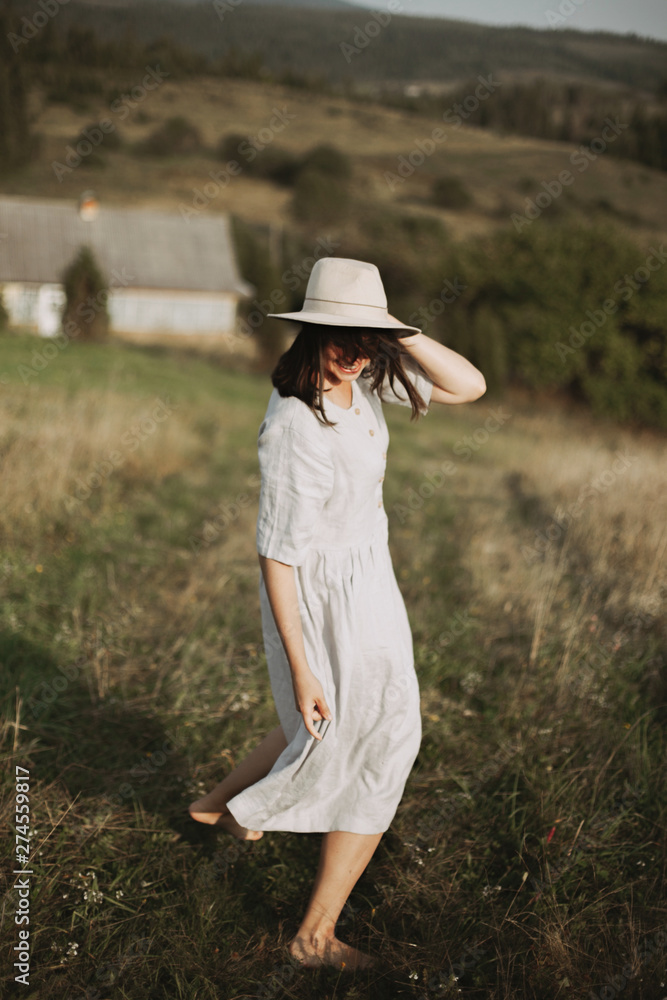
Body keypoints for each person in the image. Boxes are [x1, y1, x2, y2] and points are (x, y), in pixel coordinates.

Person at [189, 258, 486, 970]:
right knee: (372, 729)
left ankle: (219, 805)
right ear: (310, 334)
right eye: (339, 336)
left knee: (345, 719)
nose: (353, 350)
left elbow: (468, 386)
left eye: (366, 338)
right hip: (314, 588)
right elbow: (277, 556)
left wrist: (397, 335)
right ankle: (312, 938)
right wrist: (299, 665)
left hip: (367, 576)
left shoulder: (364, 376)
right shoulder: (296, 426)